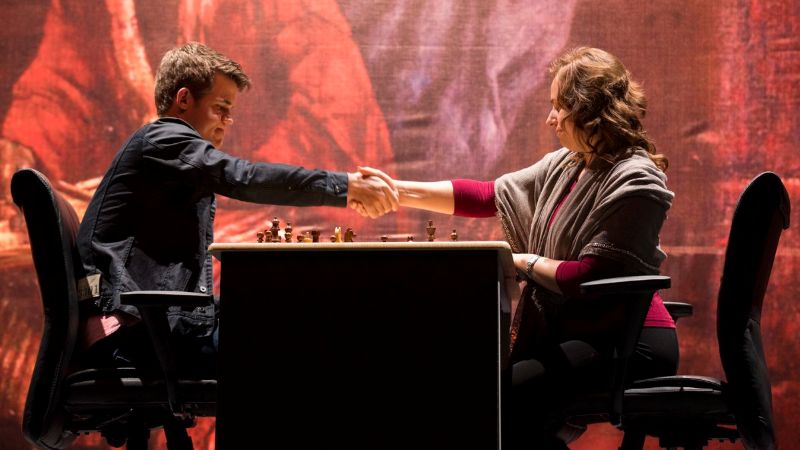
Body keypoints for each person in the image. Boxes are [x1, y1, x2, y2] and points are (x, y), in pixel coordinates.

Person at [357, 47, 678, 449]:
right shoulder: (567, 165)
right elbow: (487, 195)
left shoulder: (637, 178)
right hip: (584, 334)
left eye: (559, 106)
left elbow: (587, 276)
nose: (550, 118)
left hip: (629, 342)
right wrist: (395, 190)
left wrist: (522, 261)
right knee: (496, 403)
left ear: (589, 110)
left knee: (504, 400)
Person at [76, 42, 398, 375]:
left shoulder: (170, 156)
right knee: (302, 342)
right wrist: (344, 186)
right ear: (184, 99)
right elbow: (244, 177)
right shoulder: (164, 139)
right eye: (221, 108)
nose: (228, 121)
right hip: (132, 335)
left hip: (152, 325)